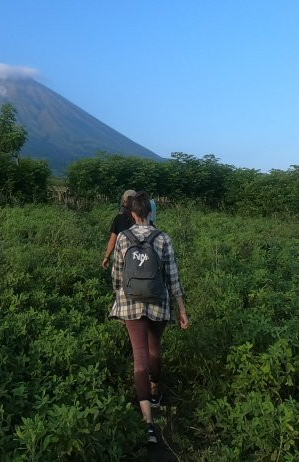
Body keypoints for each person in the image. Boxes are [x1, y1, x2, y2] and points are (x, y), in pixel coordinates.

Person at [110, 192, 189, 444]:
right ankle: (155, 392)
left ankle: (148, 424)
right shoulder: (163, 238)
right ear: (151, 213)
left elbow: (117, 275)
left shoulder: (123, 238)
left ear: (132, 213)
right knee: (155, 350)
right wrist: (182, 310)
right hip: (158, 303)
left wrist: (119, 302)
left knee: (139, 360)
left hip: (130, 304)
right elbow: (173, 278)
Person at [100, 189, 137, 269]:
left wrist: (107, 257)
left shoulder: (119, 218)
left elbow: (112, 242)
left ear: (124, 201)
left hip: (123, 261)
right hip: (140, 260)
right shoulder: (142, 218)